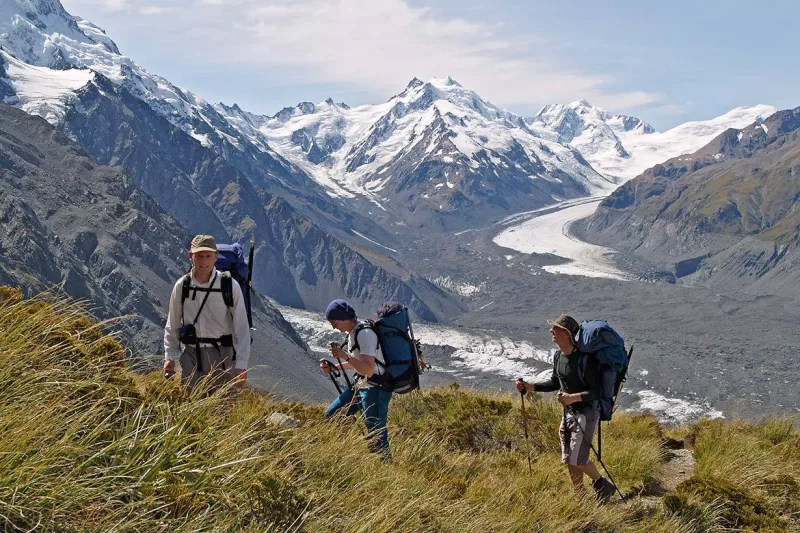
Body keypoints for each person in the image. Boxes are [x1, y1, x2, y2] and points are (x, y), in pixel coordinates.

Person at [515, 314, 616, 501]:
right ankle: (580, 495)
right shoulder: (558, 356)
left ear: (567, 334)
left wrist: (572, 398)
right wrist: (531, 387)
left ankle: (603, 485)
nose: (551, 331)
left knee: (578, 458)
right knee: (569, 456)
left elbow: (596, 391)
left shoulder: (586, 360)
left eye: (555, 328)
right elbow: (556, 382)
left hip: (587, 412)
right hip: (570, 412)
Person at [163, 235, 250, 393]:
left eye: (208, 256)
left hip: (223, 356)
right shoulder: (182, 286)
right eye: (199, 256)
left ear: (216, 256)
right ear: (191, 256)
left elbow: (241, 327)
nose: (204, 261)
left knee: (222, 408)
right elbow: (173, 323)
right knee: (189, 406)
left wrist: (241, 365)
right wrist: (169, 357)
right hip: (191, 355)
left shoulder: (230, 286)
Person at [320, 299, 392, 461]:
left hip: (375, 389)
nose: (334, 327)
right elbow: (360, 363)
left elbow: (368, 369)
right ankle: (342, 455)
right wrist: (335, 367)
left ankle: (386, 468)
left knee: (377, 435)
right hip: (362, 386)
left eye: (334, 322)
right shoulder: (355, 333)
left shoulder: (365, 335)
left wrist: (344, 356)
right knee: (332, 415)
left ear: (344, 318)